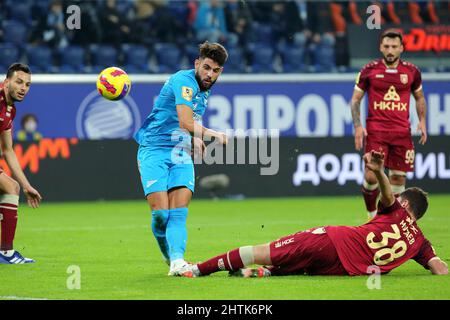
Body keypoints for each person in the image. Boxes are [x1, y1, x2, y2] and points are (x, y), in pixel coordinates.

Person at [176, 150, 447, 278]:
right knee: (301, 265)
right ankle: (258, 274)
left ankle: (198, 269)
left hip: (333, 241)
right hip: (343, 271)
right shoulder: (421, 242)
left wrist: (378, 171)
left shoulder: (397, 209)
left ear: (406, 205)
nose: (397, 200)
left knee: (263, 250)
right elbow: (440, 269)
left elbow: (387, 195)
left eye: (401, 199)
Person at [134, 42, 228, 276]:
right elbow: (186, 122)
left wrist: (193, 139)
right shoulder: (184, 81)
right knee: (160, 216)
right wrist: (210, 134)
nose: (210, 74)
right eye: (206, 68)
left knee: (178, 212)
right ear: (197, 63)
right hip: (154, 149)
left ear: (220, 72)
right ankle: (169, 255)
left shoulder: (205, 88)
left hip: (180, 151)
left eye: (215, 71)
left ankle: (178, 262)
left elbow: (187, 124)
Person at [350, 28, 427, 219]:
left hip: (402, 132)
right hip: (377, 131)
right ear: (380, 47)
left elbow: (419, 98)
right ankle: (371, 215)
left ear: (401, 48)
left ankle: (390, 221)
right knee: (370, 176)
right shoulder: (369, 71)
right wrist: (358, 126)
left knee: (398, 179)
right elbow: (355, 100)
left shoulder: (412, 71)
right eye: (386, 46)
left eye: (394, 46)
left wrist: (423, 121)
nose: (390, 50)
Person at [0, 63, 42, 264]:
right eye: (18, 82)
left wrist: (27, 186)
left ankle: (6, 253)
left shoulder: (9, 109)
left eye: (27, 84)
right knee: (9, 186)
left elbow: (8, 150)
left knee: (12, 187)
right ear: (6, 82)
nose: (23, 87)